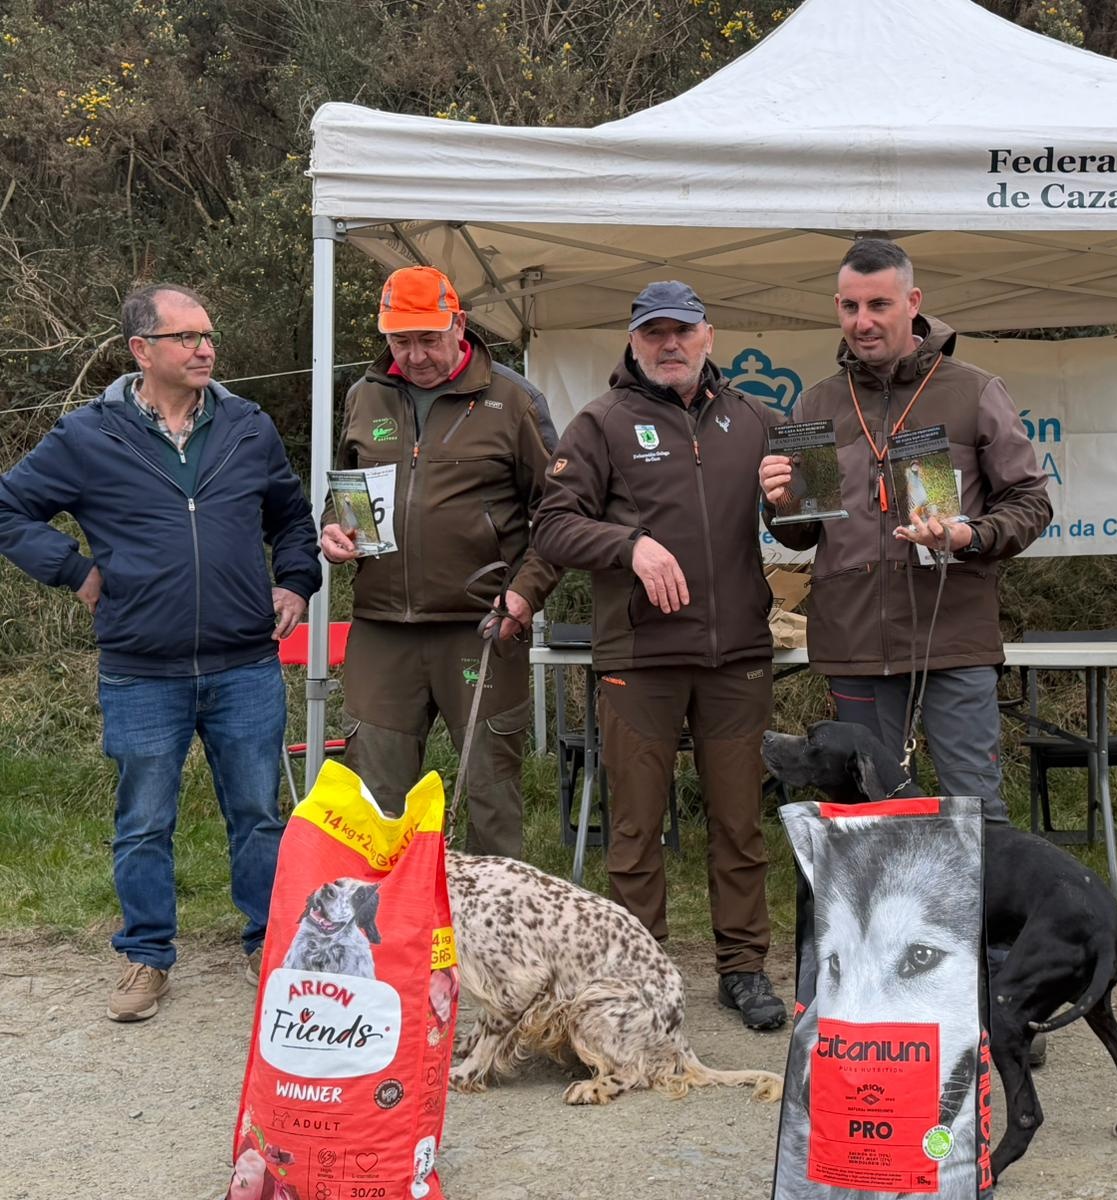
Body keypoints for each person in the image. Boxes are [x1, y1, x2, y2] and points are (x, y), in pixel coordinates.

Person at [0, 282, 320, 1022]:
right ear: (142, 349)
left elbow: (290, 518)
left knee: (258, 814)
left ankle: (268, 943)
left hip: (245, 663)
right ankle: (146, 956)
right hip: (142, 670)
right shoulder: (88, 435)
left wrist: (296, 582)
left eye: (209, 335)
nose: (206, 349)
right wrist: (73, 570)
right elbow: (9, 508)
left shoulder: (247, 425)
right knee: (144, 821)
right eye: (187, 337)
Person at [532, 281, 787, 1031]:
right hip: (639, 656)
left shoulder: (756, 419)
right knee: (637, 828)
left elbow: (806, 528)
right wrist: (630, 544)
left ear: (710, 335)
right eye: (654, 333)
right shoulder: (602, 422)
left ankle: (743, 969)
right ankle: (638, 976)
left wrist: (792, 503)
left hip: (737, 653)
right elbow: (552, 526)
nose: (669, 344)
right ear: (634, 340)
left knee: (739, 823)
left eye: (682, 331)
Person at [759, 239, 1052, 820]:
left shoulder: (972, 390)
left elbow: (1030, 501)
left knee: (975, 812)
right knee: (874, 815)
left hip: (952, 636)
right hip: (854, 642)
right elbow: (801, 534)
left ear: (913, 303)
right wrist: (778, 501)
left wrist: (970, 537)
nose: (862, 322)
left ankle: (977, 889)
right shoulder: (817, 404)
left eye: (879, 305)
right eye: (850, 307)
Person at [321, 266, 559, 856]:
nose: (415, 355)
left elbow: (560, 513)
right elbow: (344, 491)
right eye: (400, 340)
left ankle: (491, 915)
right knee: (372, 799)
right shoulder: (364, 395)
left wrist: (526, 592)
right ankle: (382, 914)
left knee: (489, 795)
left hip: (482, 626)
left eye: (428, 338)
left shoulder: (514, 400)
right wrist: (332, 528)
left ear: (459, 324)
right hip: (382, 628)